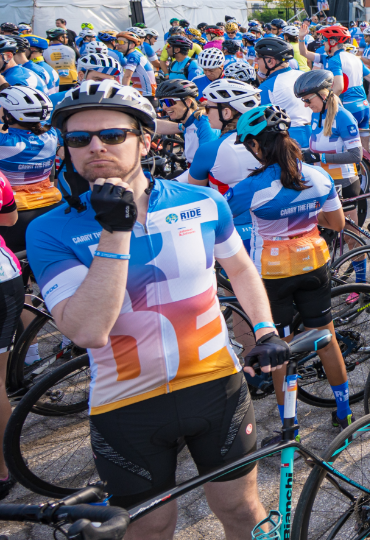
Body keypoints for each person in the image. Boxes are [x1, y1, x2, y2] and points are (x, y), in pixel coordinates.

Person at [29, 80, 288, 533]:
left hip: (216, 389)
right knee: (149, 530)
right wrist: (115, 229)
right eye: (78, 139)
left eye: (112, 136)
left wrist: (264, 329)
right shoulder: (51, 229)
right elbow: (88, 330)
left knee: (242, 512)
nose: (95, 148)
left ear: (146, 140)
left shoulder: (203, 201)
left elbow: (242, 271)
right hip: (126, 408)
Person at [225, 105, 355, 430]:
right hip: (315, 263)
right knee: (326, 337)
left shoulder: (245, 189)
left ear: (256, 145)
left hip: (271, 275)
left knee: (278, 349)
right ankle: (345, 413)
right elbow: (337, 223)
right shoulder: (317, 175)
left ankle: (290, 427)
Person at [295, 69, 364, 224]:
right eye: (303, 101)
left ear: (323, 96)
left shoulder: (343, 116)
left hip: (343, 182)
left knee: (350, 238)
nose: (306, 105)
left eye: (308, 100)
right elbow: (316, 148)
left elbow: (356, 156)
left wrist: (321, 157)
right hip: (321, 180)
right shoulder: (316, 114)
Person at [0, 85, 61, 256]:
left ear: (10, 115)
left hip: (14, 211)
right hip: (49, 204)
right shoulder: (51, 135)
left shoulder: (5, 142)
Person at [190, 79, 265, 193]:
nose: (205, 113)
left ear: (226, 113)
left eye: (208, 108)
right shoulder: (270, 138)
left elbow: (195, 191)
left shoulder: (209, 150)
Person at [253, 36, 312, 147]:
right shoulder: (303, 75)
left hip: (289, 138)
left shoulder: (266, 87)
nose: (255, 60)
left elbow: (263, 122)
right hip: (316, 133)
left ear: (270, 61)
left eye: (258, 57)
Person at [152, 79, 220, 165]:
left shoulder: (205, 125)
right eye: (162, 103)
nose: (164, 107)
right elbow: (161, 126)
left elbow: (205, 166)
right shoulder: (189, 123)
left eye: (169, 102)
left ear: (188, 102)